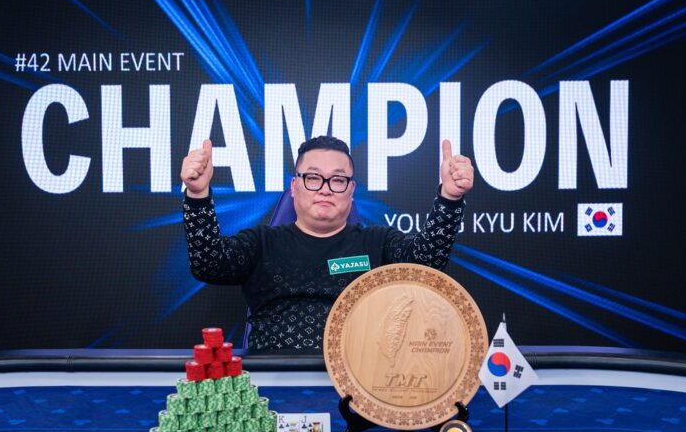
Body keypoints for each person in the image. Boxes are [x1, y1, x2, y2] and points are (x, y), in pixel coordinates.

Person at [181, 136, 474, 351]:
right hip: (274, 383)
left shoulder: (377, 243)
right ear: (294, 187)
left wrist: (450, 198)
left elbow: (427, 262)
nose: (325, 189)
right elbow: (208, 264)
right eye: (313, 178)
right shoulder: (262, 243)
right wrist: (197, 195)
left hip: (360, 385)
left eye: (337, 180)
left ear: (351, 190)